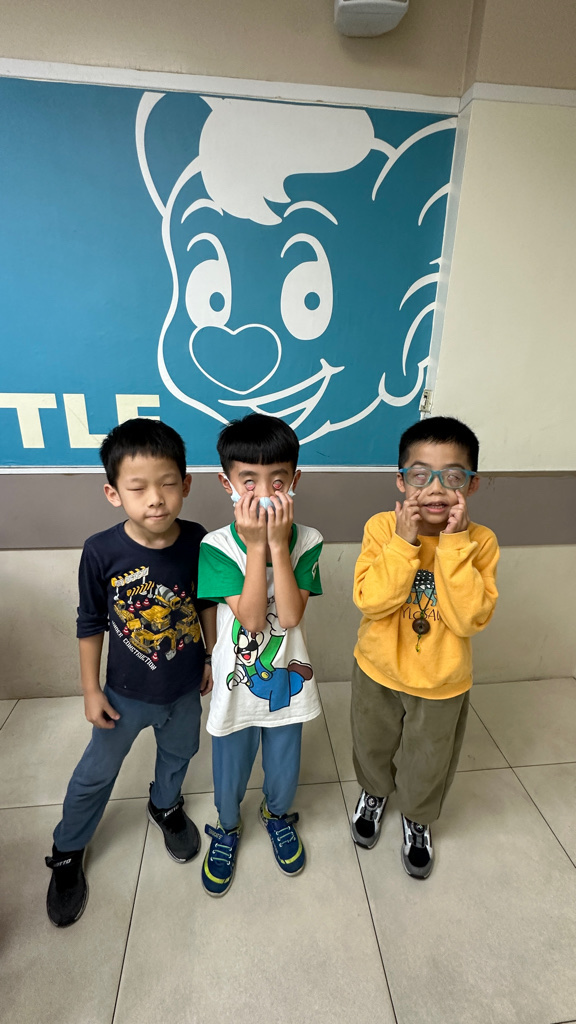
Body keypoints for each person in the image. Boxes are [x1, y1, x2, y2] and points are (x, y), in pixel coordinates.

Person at [45, 418, 216, 926]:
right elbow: (90, 621)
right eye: (138, 488)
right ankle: (67, 850)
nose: (156, 499)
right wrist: (89, 689)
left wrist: (210, 657)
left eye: (168, 484)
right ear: (113, 493)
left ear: (186, 484)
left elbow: (205, 601)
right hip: (124, 693)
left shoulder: (198, 540)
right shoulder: (101, 551)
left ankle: (165, 806)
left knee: (180, 752)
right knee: (95, 773)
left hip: (184, 686)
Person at [350, 416, 499, 878]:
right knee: (372, 744)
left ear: (471, 484)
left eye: (452, 476)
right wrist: (404, 542)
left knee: (429, 759)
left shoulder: (480, 543)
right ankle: (374, 793)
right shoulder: (382, 528)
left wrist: (453, 544)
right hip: (377, 669)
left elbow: (468, 618)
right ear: (401, 481)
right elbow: (371, 602)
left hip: (441, 680)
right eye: (420, 475)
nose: (435, 489)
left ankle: (417, 817)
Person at [197, 413, 323, 896]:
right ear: (227, 484)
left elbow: (287, 616)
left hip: (285, 682)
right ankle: (227, 827)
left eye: (278, 480)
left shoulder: (308, 540)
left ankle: (276, 814)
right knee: (229, 766)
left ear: (295, 480)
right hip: (236, 681)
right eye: (249, 480)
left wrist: (278, 547)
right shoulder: (215, 546)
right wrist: (256, 547)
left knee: (284, 763)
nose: (264, 491)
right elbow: (251, 620)